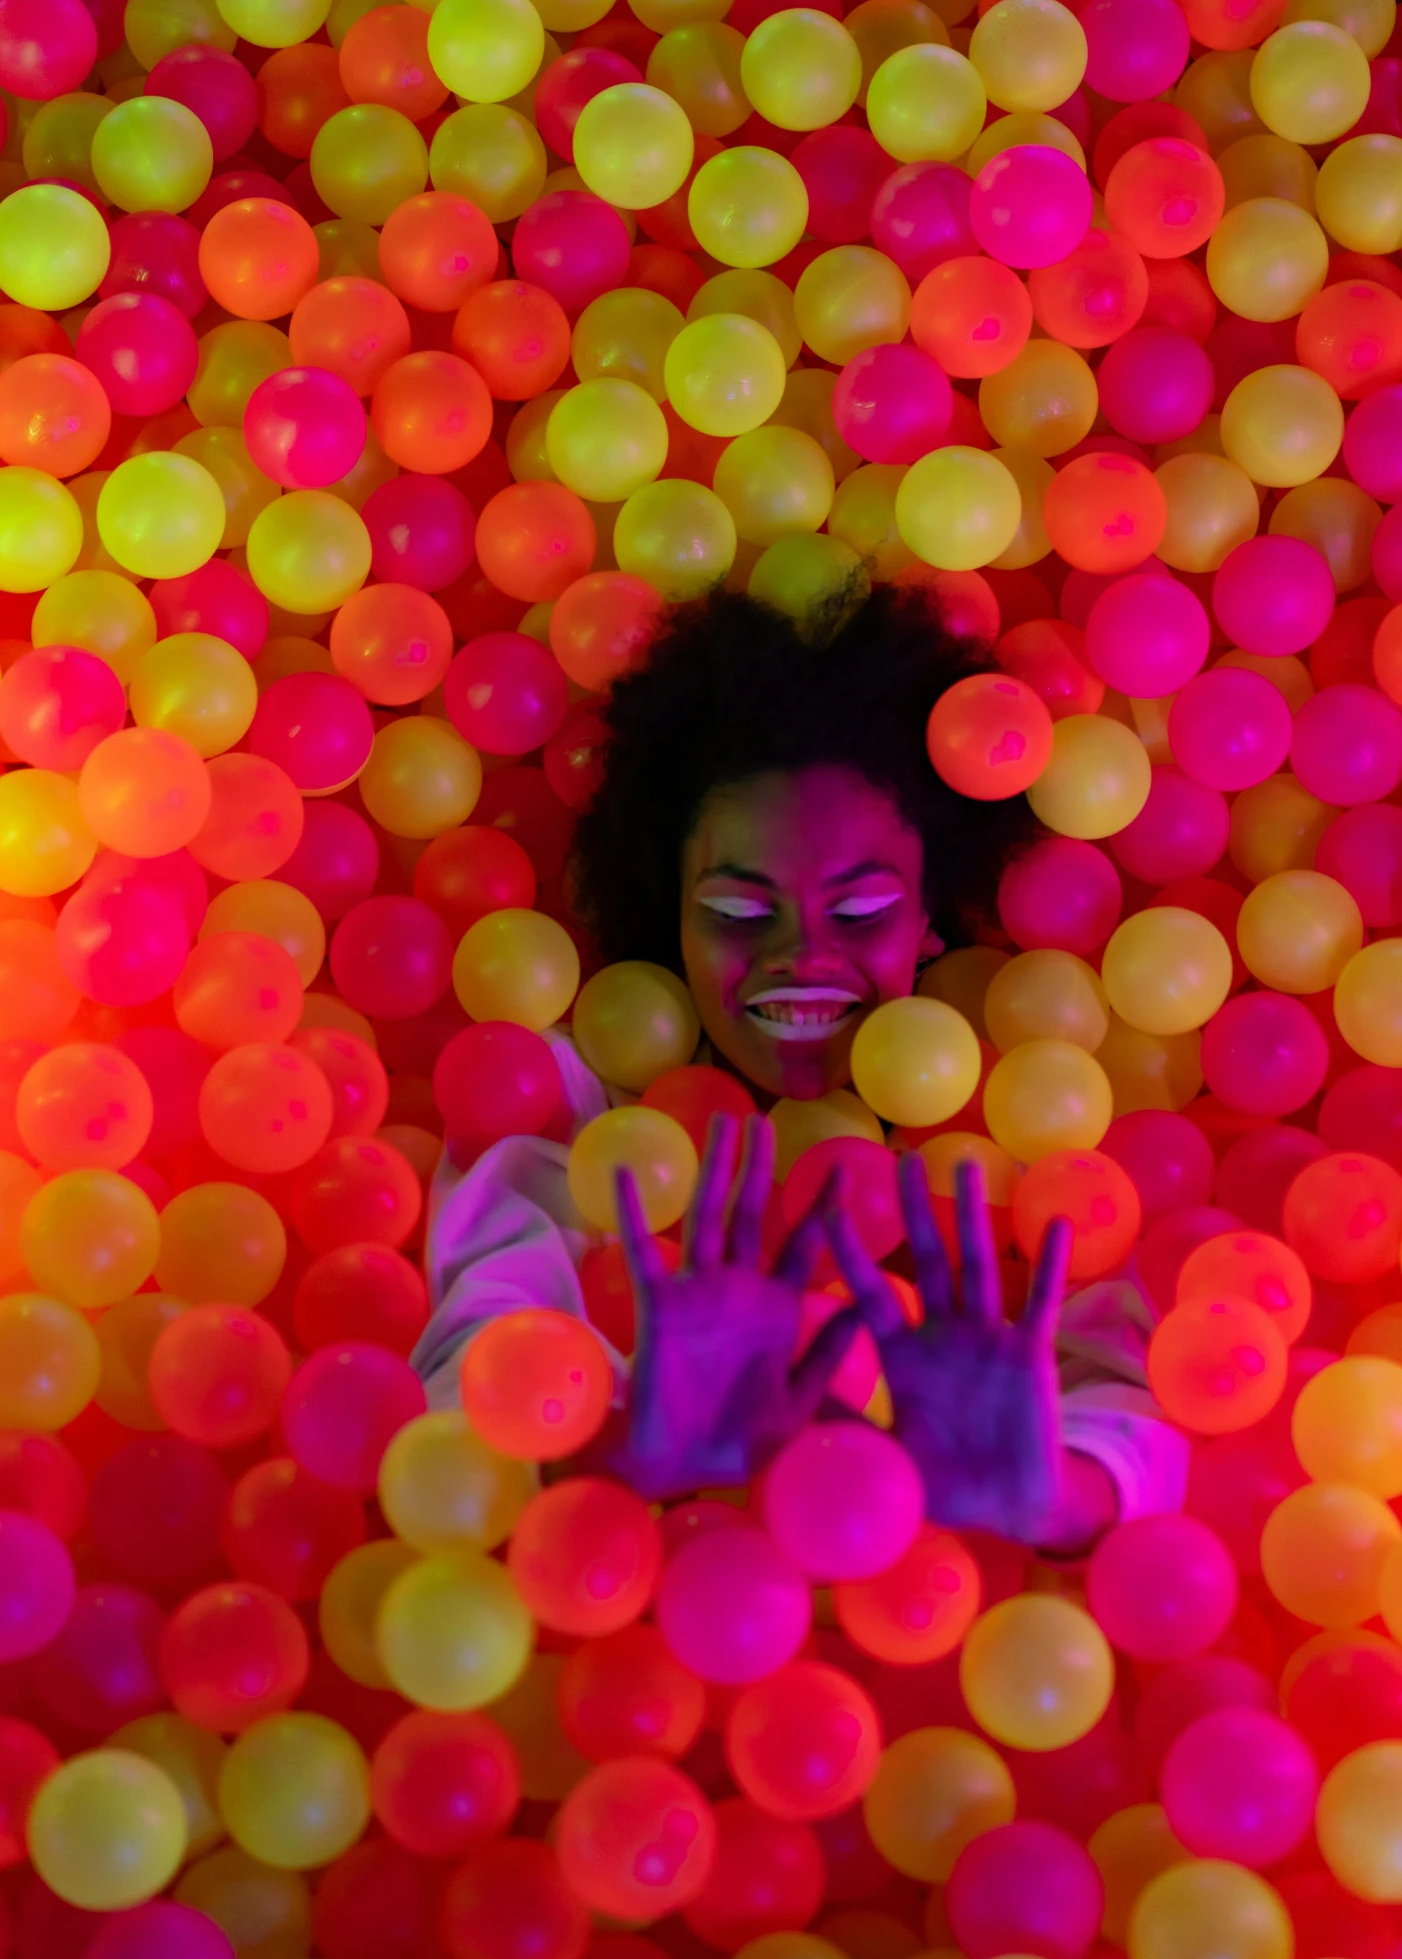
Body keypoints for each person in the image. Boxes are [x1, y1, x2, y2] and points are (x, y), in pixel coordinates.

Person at [414, 585, 1186, 1550]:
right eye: (740, 915)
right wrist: (627, 1456)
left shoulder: (1023, 1116)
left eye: (860, 914)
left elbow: (1136, 1394)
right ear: (671, 923)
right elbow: (464, 1378)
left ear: (927, 923)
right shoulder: (573, 1107)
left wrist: (1034, 1490)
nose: (802, 958)